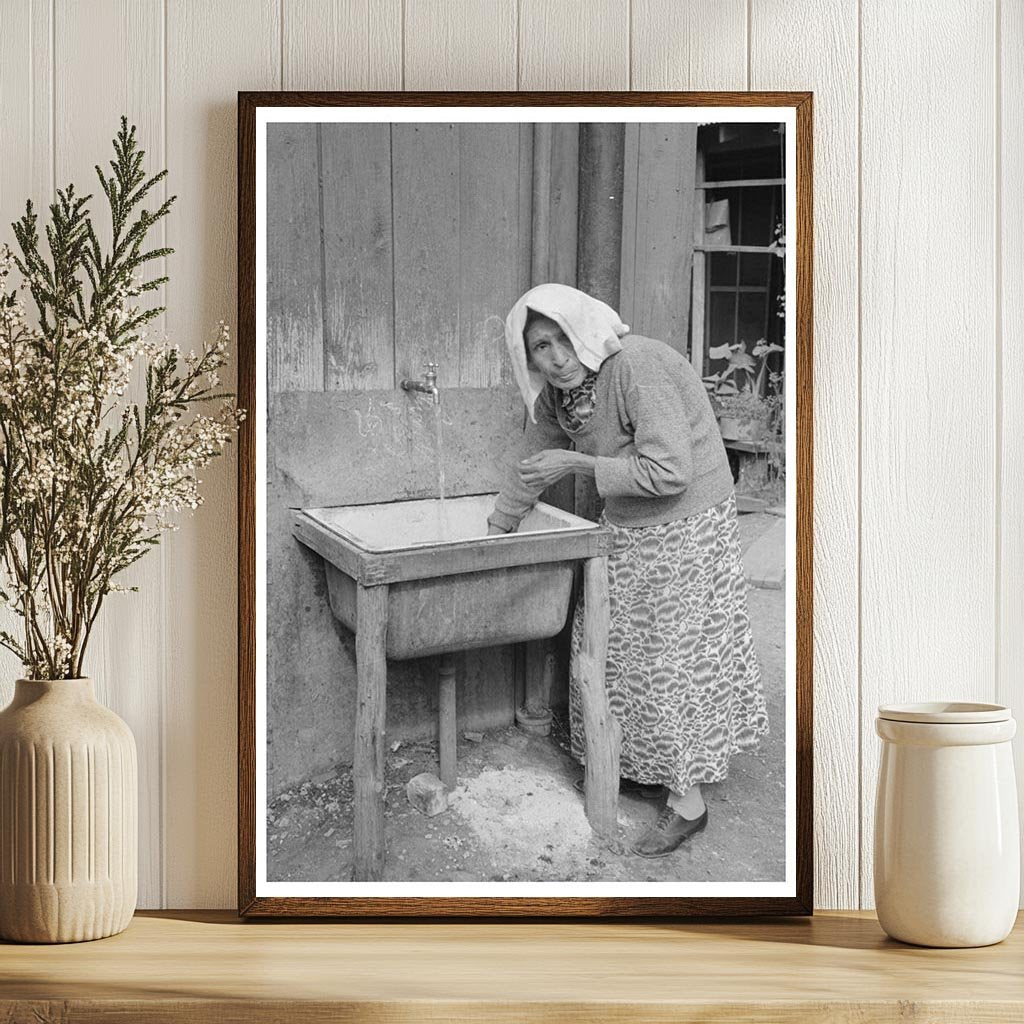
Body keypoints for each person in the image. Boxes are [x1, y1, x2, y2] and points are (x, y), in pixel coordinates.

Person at [487, 283, 769, 858]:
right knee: (619, 651)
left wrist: (580, 464)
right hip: (630, 521)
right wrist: (496, 530)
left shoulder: (635, 365)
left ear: (585, 330)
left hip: (688, 522)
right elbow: (530, 464)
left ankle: (688, 801)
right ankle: (650, 763)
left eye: (562, 339)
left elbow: (670, 471)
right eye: (540, 347)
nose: (556, 357)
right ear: (527, 356)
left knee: (672, 659)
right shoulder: (560, 398)